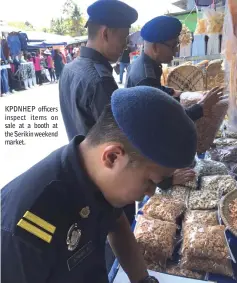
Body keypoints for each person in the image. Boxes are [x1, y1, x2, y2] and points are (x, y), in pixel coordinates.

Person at [1, 86, 197, 283]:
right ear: (112, 157)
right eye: (150, 181)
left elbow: (117, 223)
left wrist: (142, 280)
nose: (151, 192)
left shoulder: (94, 173)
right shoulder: (24, 227)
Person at [59, 0, 138, 140]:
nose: (125, 46)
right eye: (123, 39)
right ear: (106, 33)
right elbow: (118, 140)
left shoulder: (69, 68)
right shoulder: (100, 81)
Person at [125, 16, 223, 122]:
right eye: (173, 45)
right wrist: (202, 106)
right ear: (155, 47)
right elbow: (170, 120)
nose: (176, 50)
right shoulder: (146, 78)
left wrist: (176, 92)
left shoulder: (144, 64)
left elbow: (158, 91)